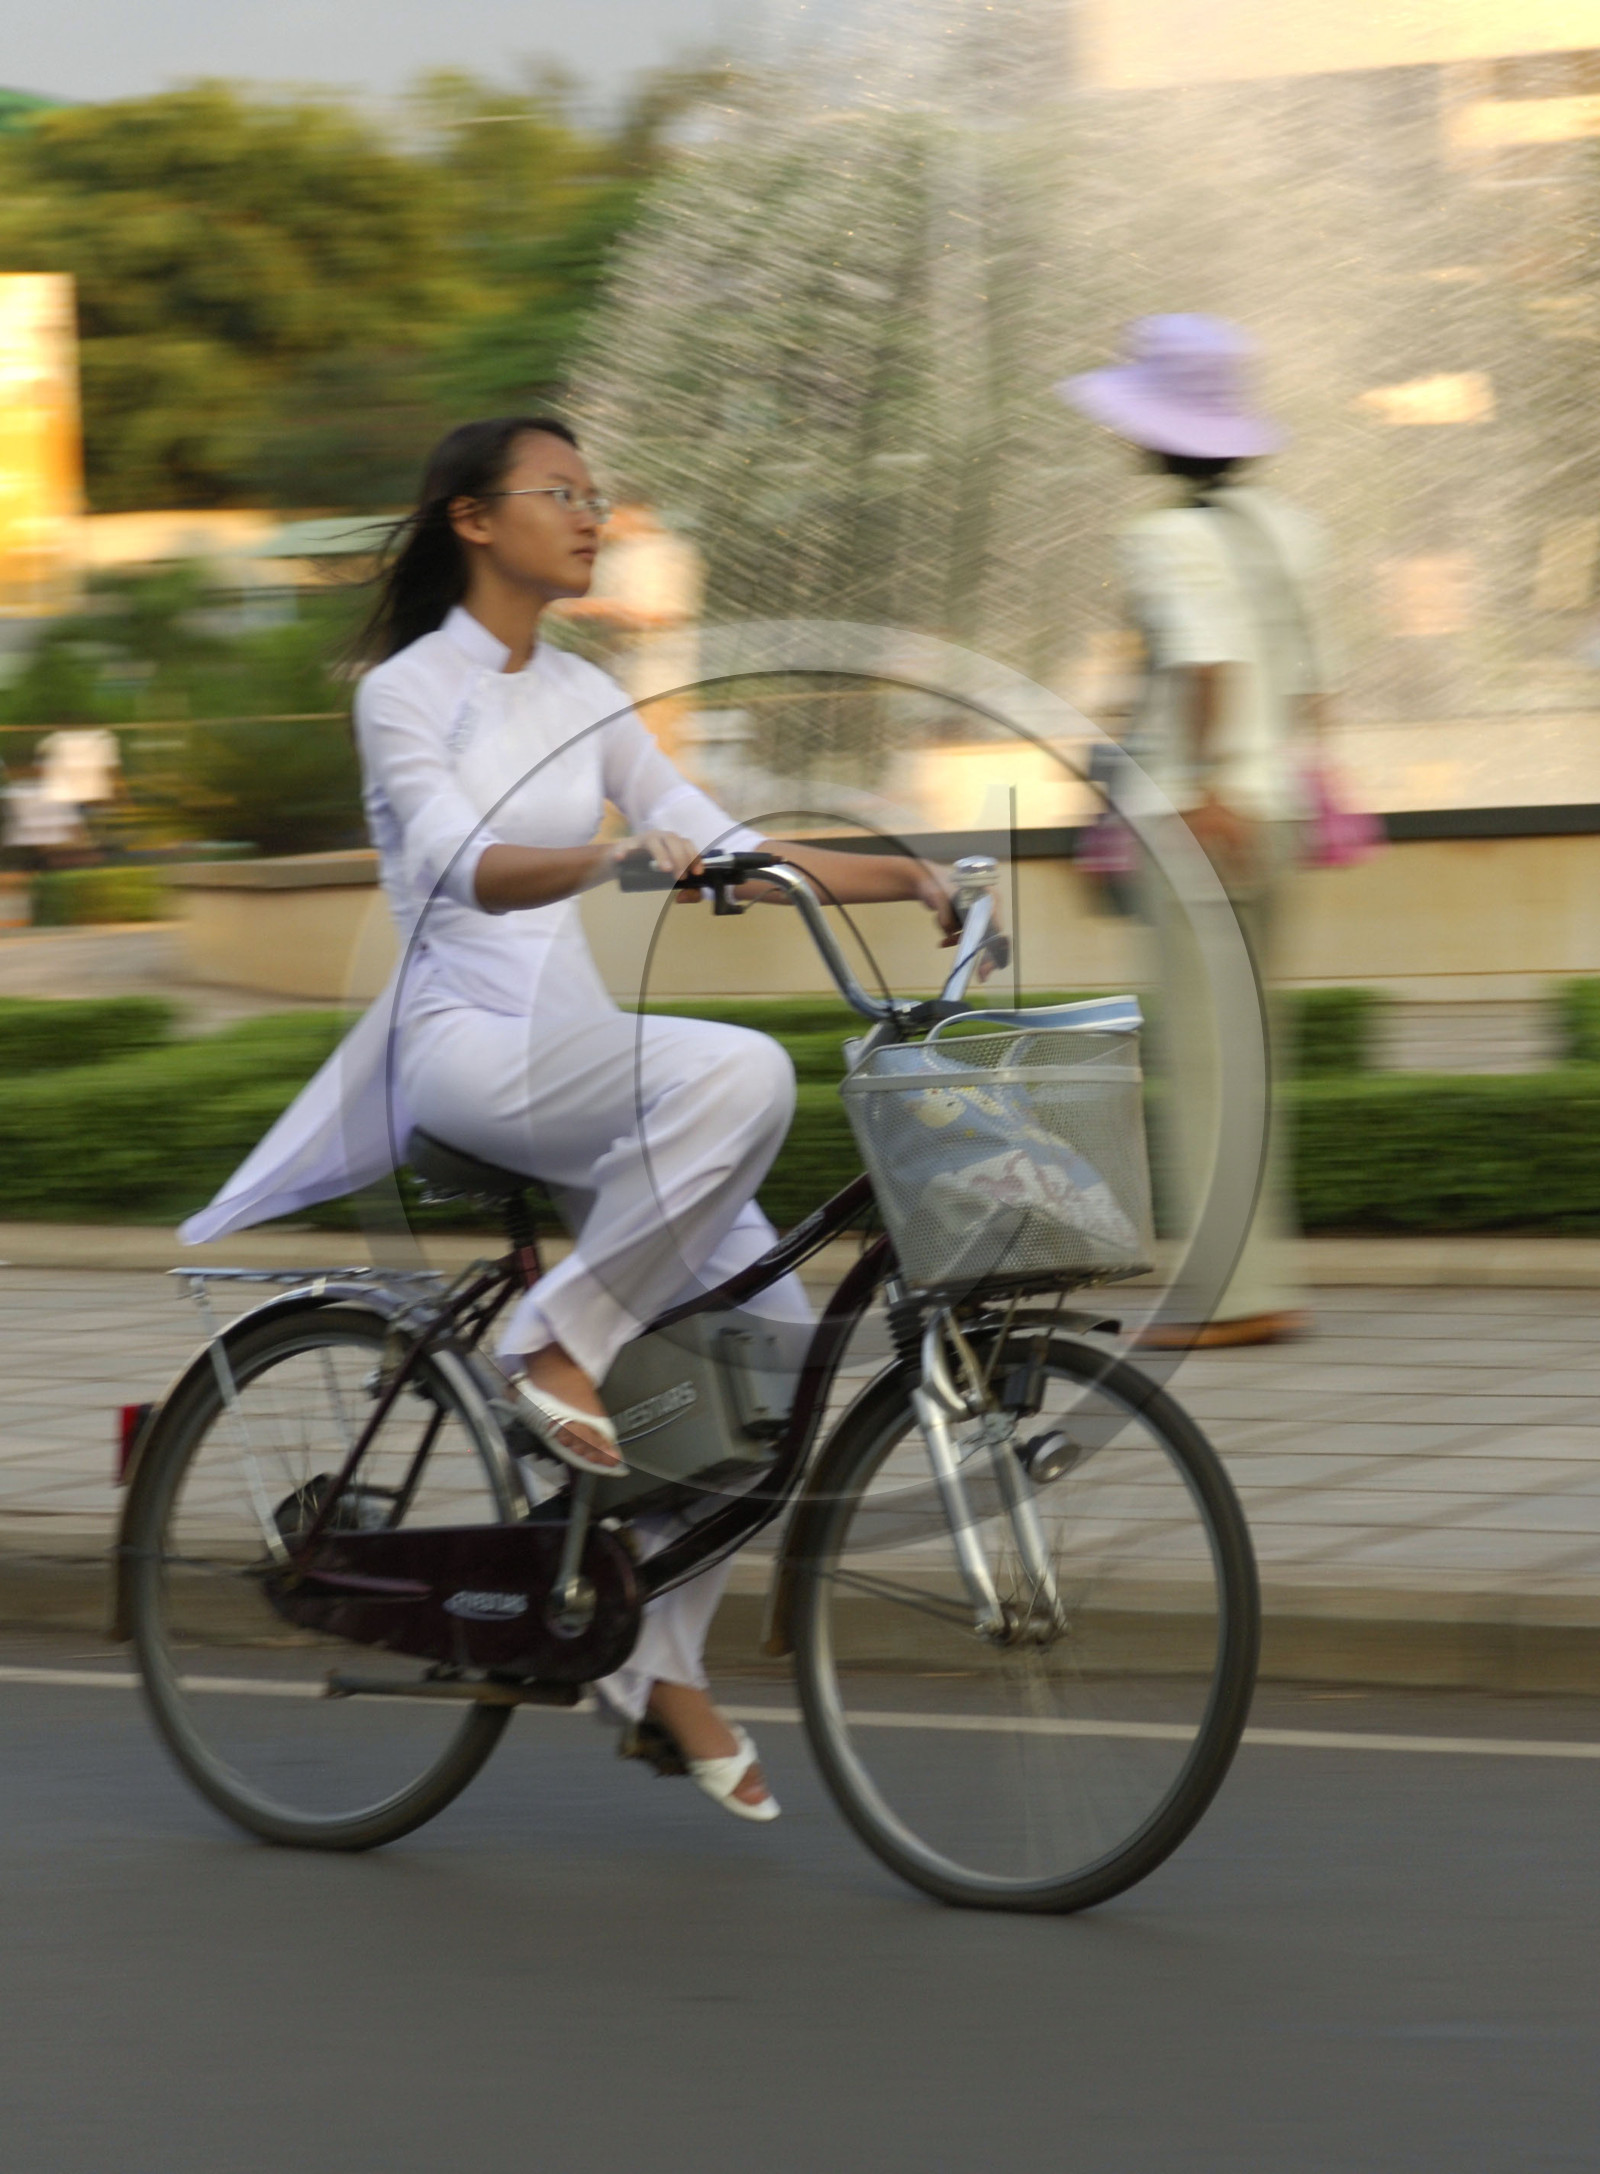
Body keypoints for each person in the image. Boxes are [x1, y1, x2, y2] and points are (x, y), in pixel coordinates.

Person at [180, 414, 966, 1820]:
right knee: (745, 1073)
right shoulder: (404, 692)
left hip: (579, 1056)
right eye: (561, 495)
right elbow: (457, 865)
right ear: (475, 520)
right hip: (468, 1047)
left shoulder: (590, 689)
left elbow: (722, 835)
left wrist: (904, 876)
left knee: (775, 1352)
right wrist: (608, 854)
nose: (591, 516)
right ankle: (554, 1339)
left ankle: (659, 1670)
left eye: (596, 497)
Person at [1056, 315, 1334, 1348]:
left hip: (1201, 817)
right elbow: (1314, 685)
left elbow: (1205, 660)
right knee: (1255, 1055)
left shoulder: (1161, 536)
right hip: (1280, 813)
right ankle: (1265, 1278)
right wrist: (1267, 781)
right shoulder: (1291, 528)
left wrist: (1210, 783)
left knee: (1206, 1061)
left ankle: (1229, 1294)